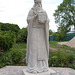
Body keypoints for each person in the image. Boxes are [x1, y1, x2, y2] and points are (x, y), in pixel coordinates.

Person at [26, 0, 49, 73]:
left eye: (39, 3)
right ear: (34, 3)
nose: (38, 5)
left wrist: (46, 20)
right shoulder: (31, 11)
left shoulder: (44, 11)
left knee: (42, 50)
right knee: (34, 49)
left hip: (41, 32)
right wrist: (35, 17)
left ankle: (43, 66)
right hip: (34, 31)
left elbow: (47, 20)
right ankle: (33, 67)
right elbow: (28, 20)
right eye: (37, 3)